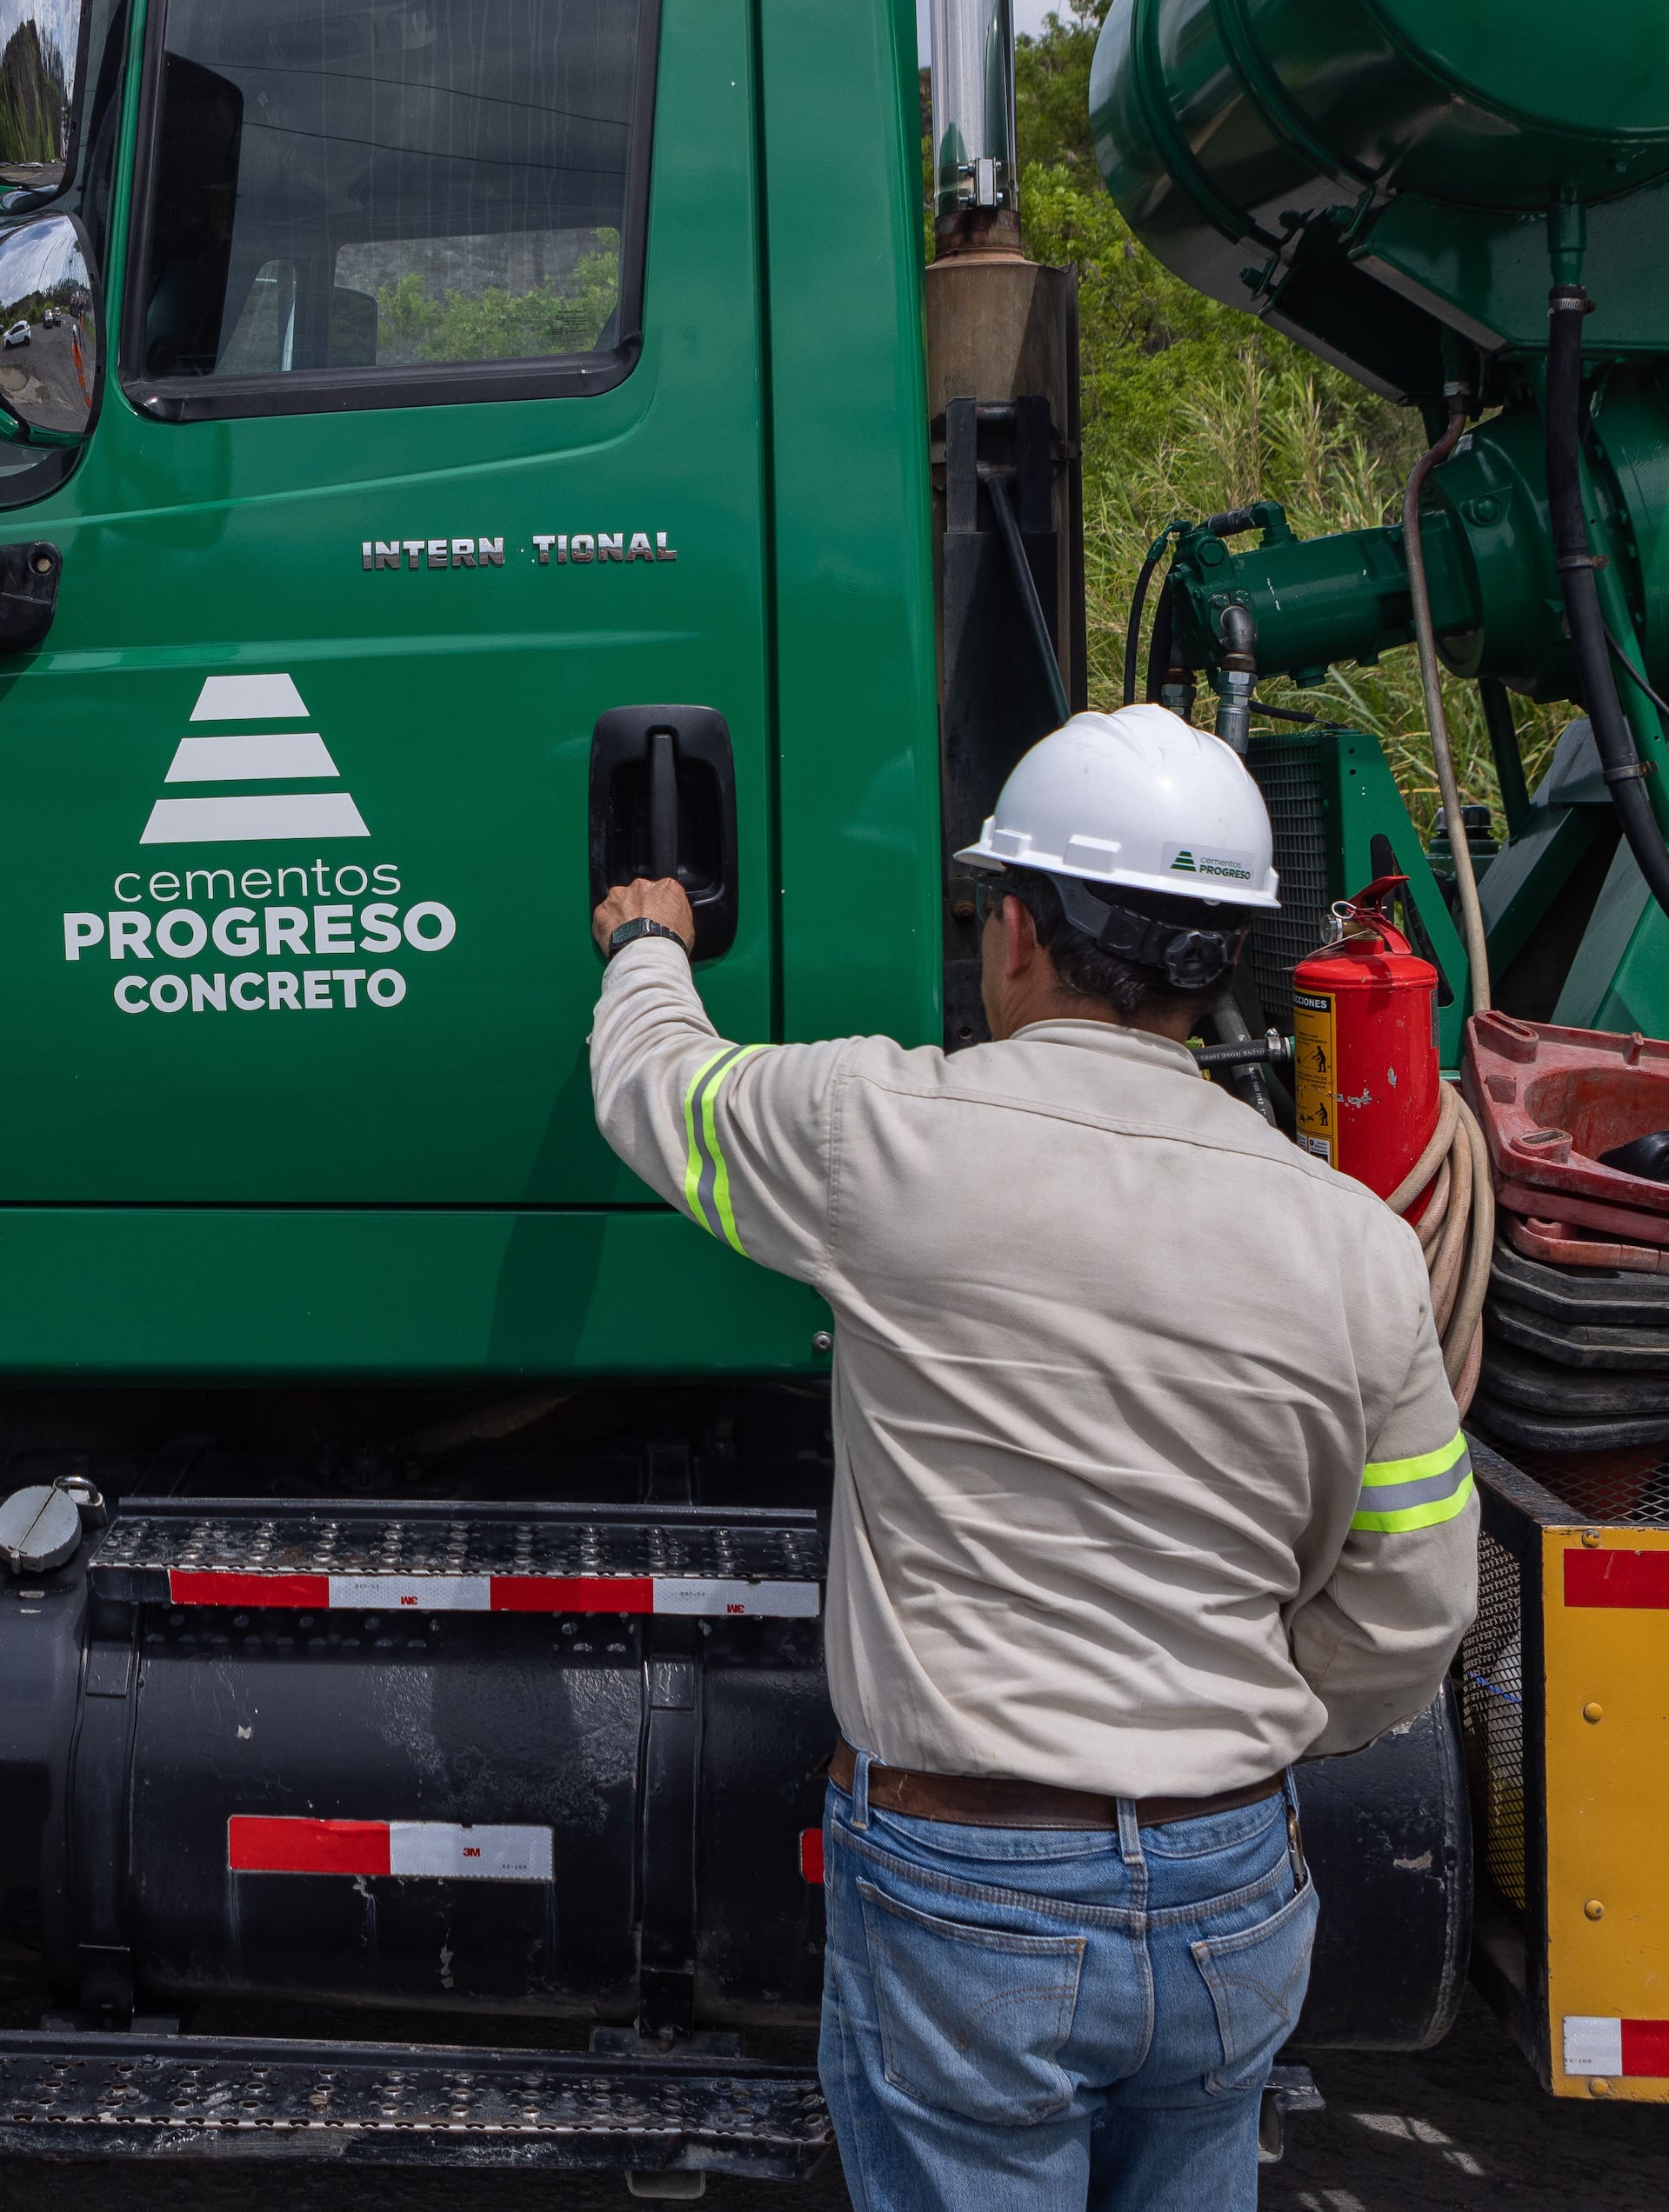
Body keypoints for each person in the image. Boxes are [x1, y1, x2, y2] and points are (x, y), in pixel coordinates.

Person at [586, 703, 1476, 2212]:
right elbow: (1415, 1602)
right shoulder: (1357, 1244)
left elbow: (658, 1089)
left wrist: (649, 945)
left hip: (970, 1889)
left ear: (1015, 930)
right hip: (1232, 1882)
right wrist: (1217, 1732)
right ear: (1222, 959)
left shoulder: (880, 1135)